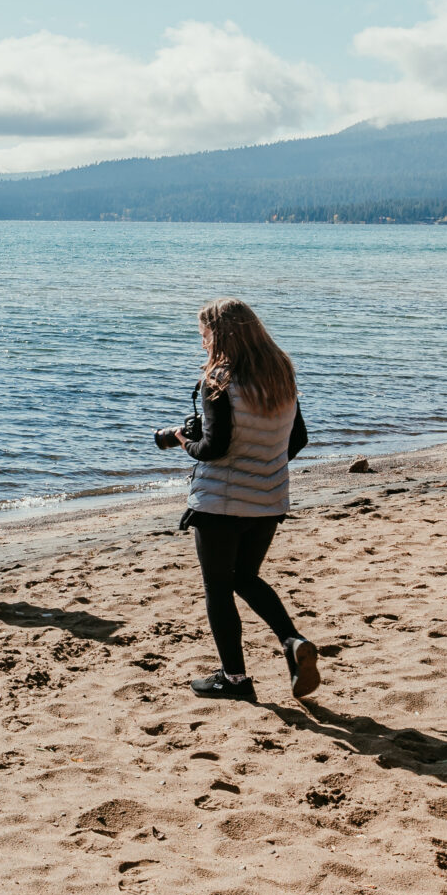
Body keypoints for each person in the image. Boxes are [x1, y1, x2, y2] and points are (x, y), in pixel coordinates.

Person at [154, 297, 319, 702]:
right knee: (245, 577)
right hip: (269, 499)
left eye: (204, 336)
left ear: (220, 335)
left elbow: (213, 448)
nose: (203, 345)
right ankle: (292, 640)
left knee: (218, 588)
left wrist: (180, 439)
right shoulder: (281, 374)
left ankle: (235, 680)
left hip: (220, 502)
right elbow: (297, 439)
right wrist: (262, 464)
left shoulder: (219, 380)